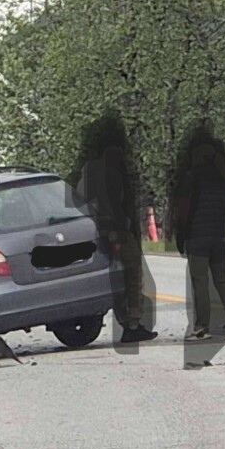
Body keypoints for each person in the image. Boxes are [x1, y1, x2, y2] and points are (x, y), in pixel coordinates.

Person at [71, 113, 158, 344]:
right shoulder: (111, 168)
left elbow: (79, 200)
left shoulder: (88, 168)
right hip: (115, 229)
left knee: (118, 276)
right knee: (130, 275)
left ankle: (129, 322)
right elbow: (115, 204)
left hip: (98, 230)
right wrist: (116, 229)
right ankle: (132, 323)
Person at [175, 123, 225, 340]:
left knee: (200, 281)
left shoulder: (192, 177)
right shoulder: (223, 179)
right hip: (219, 235)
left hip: (197, 235)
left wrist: (180, 234)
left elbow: (184, 210)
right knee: (222, 277)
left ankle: (201, 326)